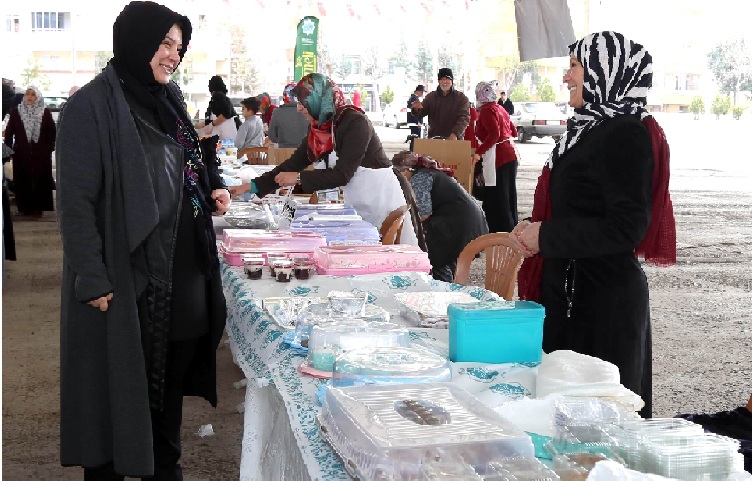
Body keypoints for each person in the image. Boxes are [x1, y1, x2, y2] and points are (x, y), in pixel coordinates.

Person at [56, 2, 230, 479]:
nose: (173, 55)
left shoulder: (169, 98)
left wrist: (209, 184)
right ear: (136, 40)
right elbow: (75, 202)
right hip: (122, 283)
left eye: (178, 46)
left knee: (165, 419)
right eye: (164, 43)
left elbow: (189, 158)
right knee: (111, 418)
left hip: (176, 286)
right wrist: (91, 276)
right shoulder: (91, 106)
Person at [513, 31, 676, 419]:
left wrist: (546, 235)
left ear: (605, 72)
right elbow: (581, 207)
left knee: (599, 429)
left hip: (601, 309)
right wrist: (535, 229)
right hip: (573, 295)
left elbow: (626, 227)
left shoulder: (623, 134)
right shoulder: (587, 130)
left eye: (574, 67)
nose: (566, 77)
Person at [228, 73, 421, 246]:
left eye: (304, 102)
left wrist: (299, 178)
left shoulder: (356, 123)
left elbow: (342, 174)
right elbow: (291, 165)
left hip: (381, 200)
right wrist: (250, 187)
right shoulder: (319, 129)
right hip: (358, 204)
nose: (299, 108)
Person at [393, 151, 488, 282]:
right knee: (449, 262)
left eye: (400, 174)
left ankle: (443, 291)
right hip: (469, 224)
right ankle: (451, 290)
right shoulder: (430, 173)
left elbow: (423, 213)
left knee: (435, 259)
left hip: (459, 226)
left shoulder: (420, 178)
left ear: (407, 170)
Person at [3, 85, 56, 218]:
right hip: (22, 153)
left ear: (37, 97)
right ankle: (25, 207)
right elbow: (9, 132)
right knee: (23, 180)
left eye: (33, 95)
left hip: (41, 154)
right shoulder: (17, 111)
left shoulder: (45, 112)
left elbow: (52, 133)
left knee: (40, 180)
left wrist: (49, 148)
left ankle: (39, 208)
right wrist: (7, 151)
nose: (30, 97)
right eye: (28, 94)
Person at [474, 81, 519, 233]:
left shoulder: (487, 111)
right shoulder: (500, 108)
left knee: (498, 196)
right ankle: (511, 228)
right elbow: (514, 132)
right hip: (511, 155)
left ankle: (500, 230)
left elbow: (494, 135)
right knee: (508, 195)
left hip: (499, 157)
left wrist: (478, 153)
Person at [410, 68, 470, 140]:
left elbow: (464, 118)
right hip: (435, 138)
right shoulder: (431, 97)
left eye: (447, 79)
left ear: (452, 81)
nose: (444, 82)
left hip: (455, 140)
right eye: (442, 79)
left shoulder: (461, 98)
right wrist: (416, 109)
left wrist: (455, 133)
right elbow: (422, 112)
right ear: (438, 81)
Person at [267, 82, 310, 148]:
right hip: (306, 154)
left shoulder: (277, 112)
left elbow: (272, 137)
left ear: (284, 95)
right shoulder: (309, 111)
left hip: (284, 154)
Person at [199, 75, 239, 140]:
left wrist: (213, 124)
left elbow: (226, 114)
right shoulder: (224, 98)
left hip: (225, 135)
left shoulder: (218, 96)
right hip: (229, 134)